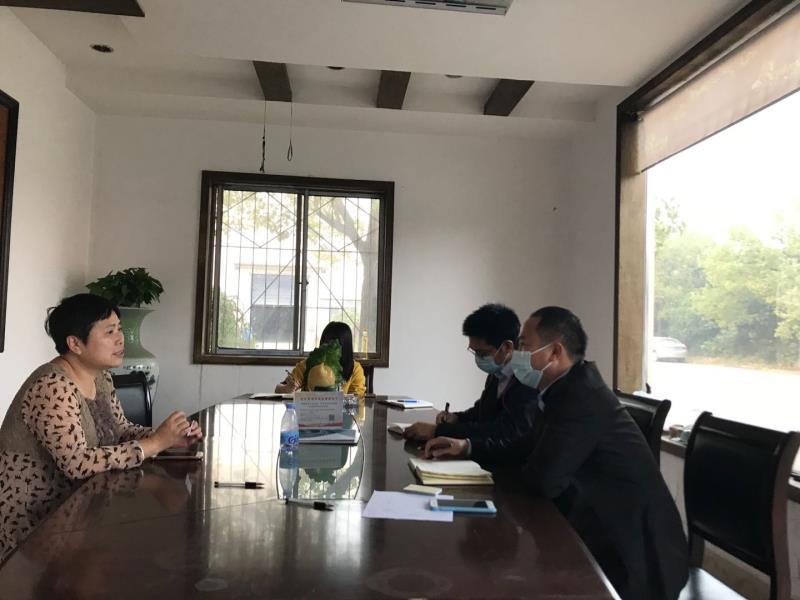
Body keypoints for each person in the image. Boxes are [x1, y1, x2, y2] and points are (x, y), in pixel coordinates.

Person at [425, 307, 688, 600]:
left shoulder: (581, 399)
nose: (517, 354)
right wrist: (467, 447)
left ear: (555, 352)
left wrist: (490, 472)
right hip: (597, 532)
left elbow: (544, 480)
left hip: (634, 560)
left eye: (524, 345)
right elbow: (524, 445)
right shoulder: (562, 389)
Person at [0, 293, 203, 553]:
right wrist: (154, 443)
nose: (120, 338)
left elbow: (120, 430)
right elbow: (77, 463)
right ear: (75, 343)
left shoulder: (100, 378)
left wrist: (169, 438)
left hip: (76, 511)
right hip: (32, 524)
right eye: (109, 332)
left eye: (119, 328)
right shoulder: (53, 386)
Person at [403, 303, 537, 442]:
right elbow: (481, 413)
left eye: (482, 353)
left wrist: (437, 431)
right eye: (474, 352)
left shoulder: (527, 380)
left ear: (507, 347)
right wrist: (457, 418)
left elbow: (504, 432)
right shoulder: (497, 372)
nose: (478, 358)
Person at [275, 321, 366, 397]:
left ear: (345, 346)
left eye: (334, 344)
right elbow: (278, 389)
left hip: (340, 412)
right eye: (326, 342)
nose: (328, 347)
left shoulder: (355, 368)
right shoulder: (309, 363)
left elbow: (358, 399)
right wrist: (286, 388)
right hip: (310, 411)